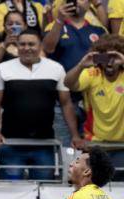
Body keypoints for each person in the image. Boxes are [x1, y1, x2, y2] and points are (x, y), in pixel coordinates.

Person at [0, 29, 84, 180]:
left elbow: (66, 104)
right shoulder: (3, 68)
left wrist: (75, 135)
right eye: (22, 44)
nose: (27, 48)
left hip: (44, 144)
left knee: (43, 186)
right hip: (11, 142)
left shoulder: (56, 68)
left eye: (31, 44)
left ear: (40, 46)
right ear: (17, 46)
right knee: (10, 189)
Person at [42, 0, 106, 147]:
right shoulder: (54, 26)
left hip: (92, 99)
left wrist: (92, 60)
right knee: (64, 148)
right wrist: (59, 20)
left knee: (91, 150)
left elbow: (107, 59)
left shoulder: (98, 30)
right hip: (62, 99)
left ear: (89, 4)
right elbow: (48, 49)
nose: (77, 1)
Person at [64, 34, 124, 181]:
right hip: (96, 144)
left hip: (122, 145)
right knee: (96, 187)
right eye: (105, 57)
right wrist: (81, 65)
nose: (110, 62)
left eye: (114, 57)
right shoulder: (92, 74)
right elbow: (69, 84)